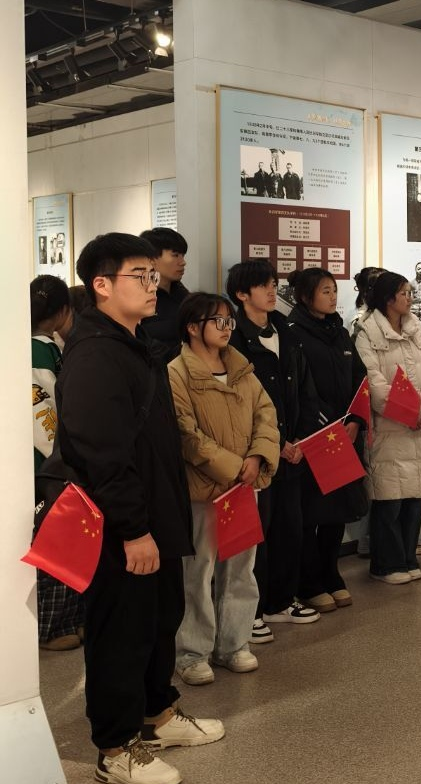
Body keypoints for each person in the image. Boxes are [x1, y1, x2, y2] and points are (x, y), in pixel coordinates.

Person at [57, 233, 223, 784]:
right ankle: (115, 749)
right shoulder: (94, 354)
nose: (154, 285)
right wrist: (132, 530)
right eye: (141, 275)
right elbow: (102, 453)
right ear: (102, 284)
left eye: (155, 275)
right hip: (121, 525)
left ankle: (157, 715)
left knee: (159, 620)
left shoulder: (134, 342)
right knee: (121, 633)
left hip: (158, 511)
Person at [169, 293, 279, 686]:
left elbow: (266, 415)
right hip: (204, 491)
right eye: (217, 321)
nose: (226, 328)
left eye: (228, 321)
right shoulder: (177, 373)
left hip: (244, 487)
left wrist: (257, 457)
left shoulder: (241, 369)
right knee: (198, 573)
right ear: (192, 327)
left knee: (240, 569)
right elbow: (186, 434)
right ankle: (192, 652)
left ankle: (234, 643)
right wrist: (233, 467)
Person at [226, 260, 323, 642]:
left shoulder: (286, 330)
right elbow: (238, 403)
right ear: (241, 294)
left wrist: (301, 437)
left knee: (290, 528)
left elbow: (306, 390)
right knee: (257, 535)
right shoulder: (234, 338)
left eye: (273, 283)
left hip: (293, 449)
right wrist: (274, 443)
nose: (271, 291)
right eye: (263, 285)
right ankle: (251, 610)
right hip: (258, 452)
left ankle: (281, 601)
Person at [354, 272, 421, 584]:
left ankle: (408, 559)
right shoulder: (367, 332)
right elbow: (374, 383)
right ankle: (385, 564)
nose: (410, 298)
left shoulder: (415, 328)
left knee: (414, 499)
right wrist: (409, 413)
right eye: (404, 293)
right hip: (390, 429)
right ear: (388, 298)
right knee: (389, 500)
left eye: (409, 292)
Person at [286, 268, 369, 612]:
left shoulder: (340, 332)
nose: (333, 297)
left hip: (344, 433)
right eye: (325, 291)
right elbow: (299, 388)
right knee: (311, 512)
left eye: (334, 290)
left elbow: (360, 377)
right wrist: (326, 425)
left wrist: (356, 420)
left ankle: (330, 571)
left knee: (338, 511)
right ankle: (309, 581)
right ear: (306, 296)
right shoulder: (292, 333)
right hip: (314, 435)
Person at [30, 275, 83, 652]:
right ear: (64, 310)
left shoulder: (45, 348)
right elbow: (44, 415)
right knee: (55, 543)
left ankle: (67, 619)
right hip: (50, 464)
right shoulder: (40, 351)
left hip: (50, 462)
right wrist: (62, 456)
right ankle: (51, 626)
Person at [139, 227, 190, 362]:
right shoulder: (139, 298)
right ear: (152, 259)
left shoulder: (184, 296)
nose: (183, 262)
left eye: (183, 256)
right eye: (175, 255)